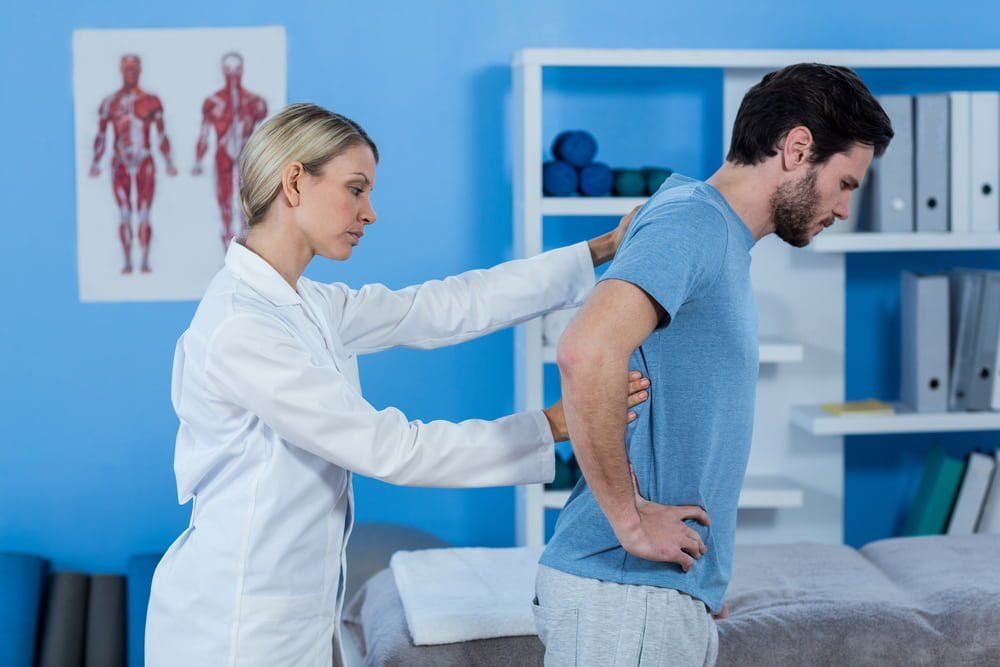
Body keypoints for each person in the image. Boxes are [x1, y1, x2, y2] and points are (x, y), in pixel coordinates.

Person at [144, 102, 658, 666]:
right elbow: (391, 450)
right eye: (355, 189)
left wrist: (602, 249)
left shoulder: (306, 303)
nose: (369, 213)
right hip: (237, 630)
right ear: (294, 182)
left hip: (296, 616)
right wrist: (555, 424)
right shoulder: (243, 326)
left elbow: (442, 306)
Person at [534, 63, 894, 666]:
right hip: (627, 596)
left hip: (653, 596)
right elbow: (586, 351)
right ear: (797, 148)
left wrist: (704, 578)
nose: (843, 208)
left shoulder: (714, 232)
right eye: (845, 183)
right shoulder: (693, 222)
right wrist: (630, 522)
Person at [89, 54, 178, 274]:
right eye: (127, 69)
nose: (131, 73)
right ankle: (127, 260)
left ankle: (145, 260)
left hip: (144, 161)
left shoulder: (151, 101)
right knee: (125, 213)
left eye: (134, 69)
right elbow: (101, 136)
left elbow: (161, 134)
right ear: (121, 71)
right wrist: (95, 162)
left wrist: (168, 161)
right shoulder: (109, 102)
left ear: (140, 71)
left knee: (145, 212)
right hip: (120, 162)